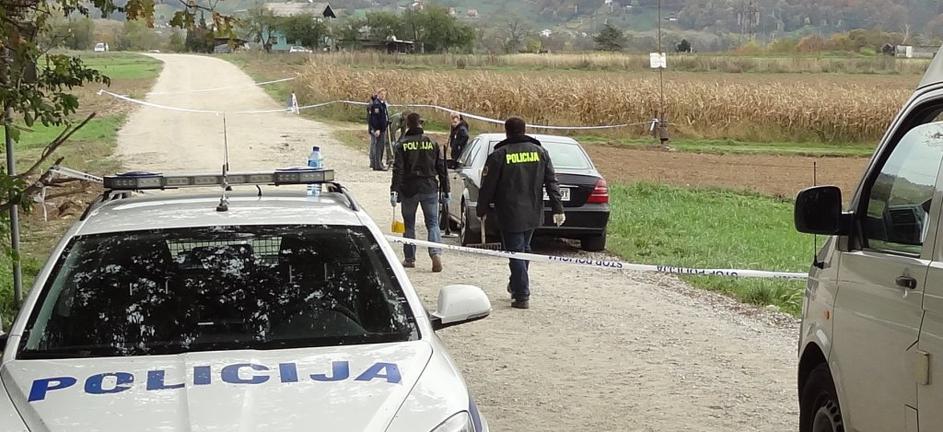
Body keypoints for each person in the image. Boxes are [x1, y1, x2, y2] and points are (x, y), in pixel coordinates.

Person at [477, 116, 565, 310]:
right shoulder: (540, 152)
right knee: (523, 248)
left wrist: (481, 209)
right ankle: (516, 283)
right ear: (524, 130)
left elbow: (487, 186)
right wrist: (557, 208)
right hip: (533, 212)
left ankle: (522, 294)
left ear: (507, 131)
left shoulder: (499, 155)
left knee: (516, 252)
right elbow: (552, 182)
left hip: (509, 213)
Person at [391, 113, 450, 272]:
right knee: (433, 223)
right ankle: (435, 253)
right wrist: (446, 189)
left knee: (409, 225)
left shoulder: (402, 144)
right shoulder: (432, 142)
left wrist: (394, 190)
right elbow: (441, 168)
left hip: (409, 189)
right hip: (429, 187)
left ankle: (410, 258)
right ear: (420, 124)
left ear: (407, 125)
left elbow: (398, 170)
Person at [367, 88, 390, 171]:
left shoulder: (382, 104)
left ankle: (378, 163)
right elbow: (375, 118)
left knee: (380, 147)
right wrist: (377, 129)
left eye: (384, 94)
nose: (383, 96)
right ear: (378, 94)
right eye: (381, 94)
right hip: (379, 129)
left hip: (383, 128)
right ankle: (378, 165)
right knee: (378, 147)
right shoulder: (376, 104)